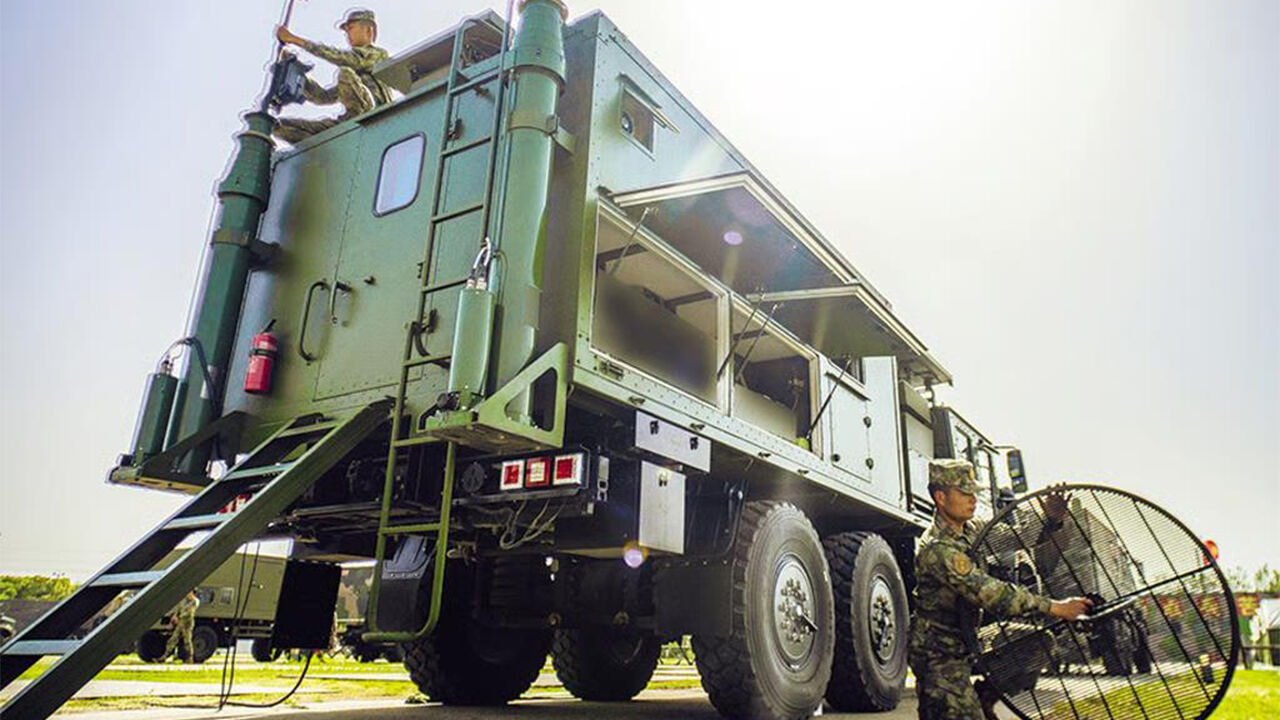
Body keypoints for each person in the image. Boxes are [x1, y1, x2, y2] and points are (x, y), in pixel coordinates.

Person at [909, 459, 1093, 720]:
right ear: (941, 497)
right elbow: (991, 593)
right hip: (938, 653)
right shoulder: (937, 548)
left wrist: (1050, 519)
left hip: (968, 639)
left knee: (1038, 642)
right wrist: (1055, 607)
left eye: (974, 492)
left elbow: (1017, 537)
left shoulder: (972, 529)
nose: (973, 499)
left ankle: (985, 696)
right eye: (964, 493)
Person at [272, 9, 393, 144]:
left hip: (375, 116)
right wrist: (299, 75)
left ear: (368, 31)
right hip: (350, 121)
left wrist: (294, 40)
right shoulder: (354, 82)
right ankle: (315, 146)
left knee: (345, 73)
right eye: (346, 31)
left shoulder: (378, 55)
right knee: (279, 125)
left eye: (351, 28)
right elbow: (322, 97)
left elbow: (344, 58)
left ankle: (360, 115)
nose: (348, 34)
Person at [164, 591, 200, 663]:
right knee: (174, 638)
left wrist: (179, 617)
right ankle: (165, 655)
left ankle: (189, 657)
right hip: (181, 622)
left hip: (188, 622)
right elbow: (178, 609)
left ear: (192, 593)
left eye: (189, 593)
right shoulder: (183, 601)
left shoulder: (194, 601)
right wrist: (174, 616)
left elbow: (189, 612)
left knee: (187, 640)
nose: (187, 594)